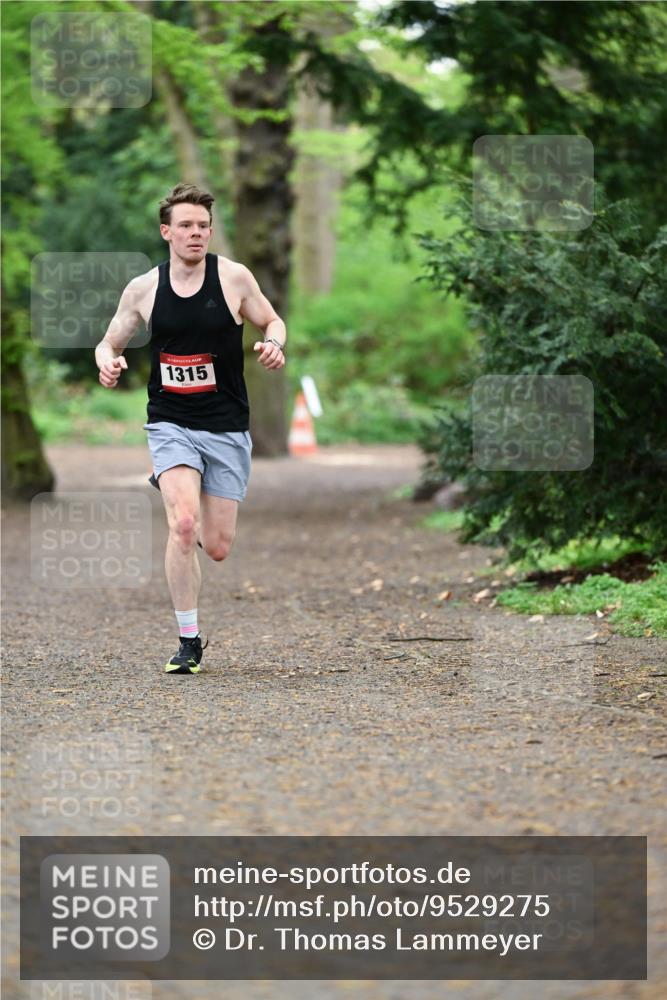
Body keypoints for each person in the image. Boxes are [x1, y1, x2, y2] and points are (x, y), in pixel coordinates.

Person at [95, 182, 286, 675]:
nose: (196, 233)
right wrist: (107, 363)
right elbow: (109, 341)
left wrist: (274, 344)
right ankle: (188, 639)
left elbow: (273, 321)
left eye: (203, 226)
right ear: (167, 232)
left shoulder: (234, 278)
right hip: (170, 421)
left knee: (217, 547)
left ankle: (195, 504)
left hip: (224, 425)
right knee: (182, 524)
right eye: (186, 225)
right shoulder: (143, 288)